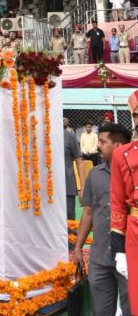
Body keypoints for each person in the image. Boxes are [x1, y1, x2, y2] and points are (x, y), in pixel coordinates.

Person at [75, 121, 132, 316]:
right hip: (99, 259)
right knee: (100, 311)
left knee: (131, 309)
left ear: (118, 146)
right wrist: (78, 248)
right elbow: (89, 213)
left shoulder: (134, 174)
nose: (98, 146)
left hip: (129, 257)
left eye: (102, 141)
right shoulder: (95, 175)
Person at [110, 91, 138, 315]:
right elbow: (118, 204)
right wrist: (119, 251)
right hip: (135, 233)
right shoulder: (121, 154)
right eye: (137, 114)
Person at [64, 122, 85, 221]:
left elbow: (79, 162)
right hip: (46, 188)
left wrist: (82, 187)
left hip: (67, 185)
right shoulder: (42, 136)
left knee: (69, 220)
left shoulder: (69, 136)